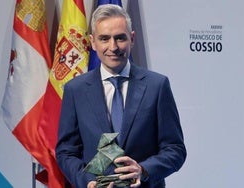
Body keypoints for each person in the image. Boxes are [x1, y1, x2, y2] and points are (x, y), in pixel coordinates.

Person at [56, 4, 186, 188]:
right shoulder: (75, 90)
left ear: (131, 38)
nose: (113, 47)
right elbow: (66, 152)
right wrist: (88, 182)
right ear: (92, 42)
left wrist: (144, 170)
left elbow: (175, 150)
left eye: (120, 38)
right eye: (104, 39)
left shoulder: (157, 86)